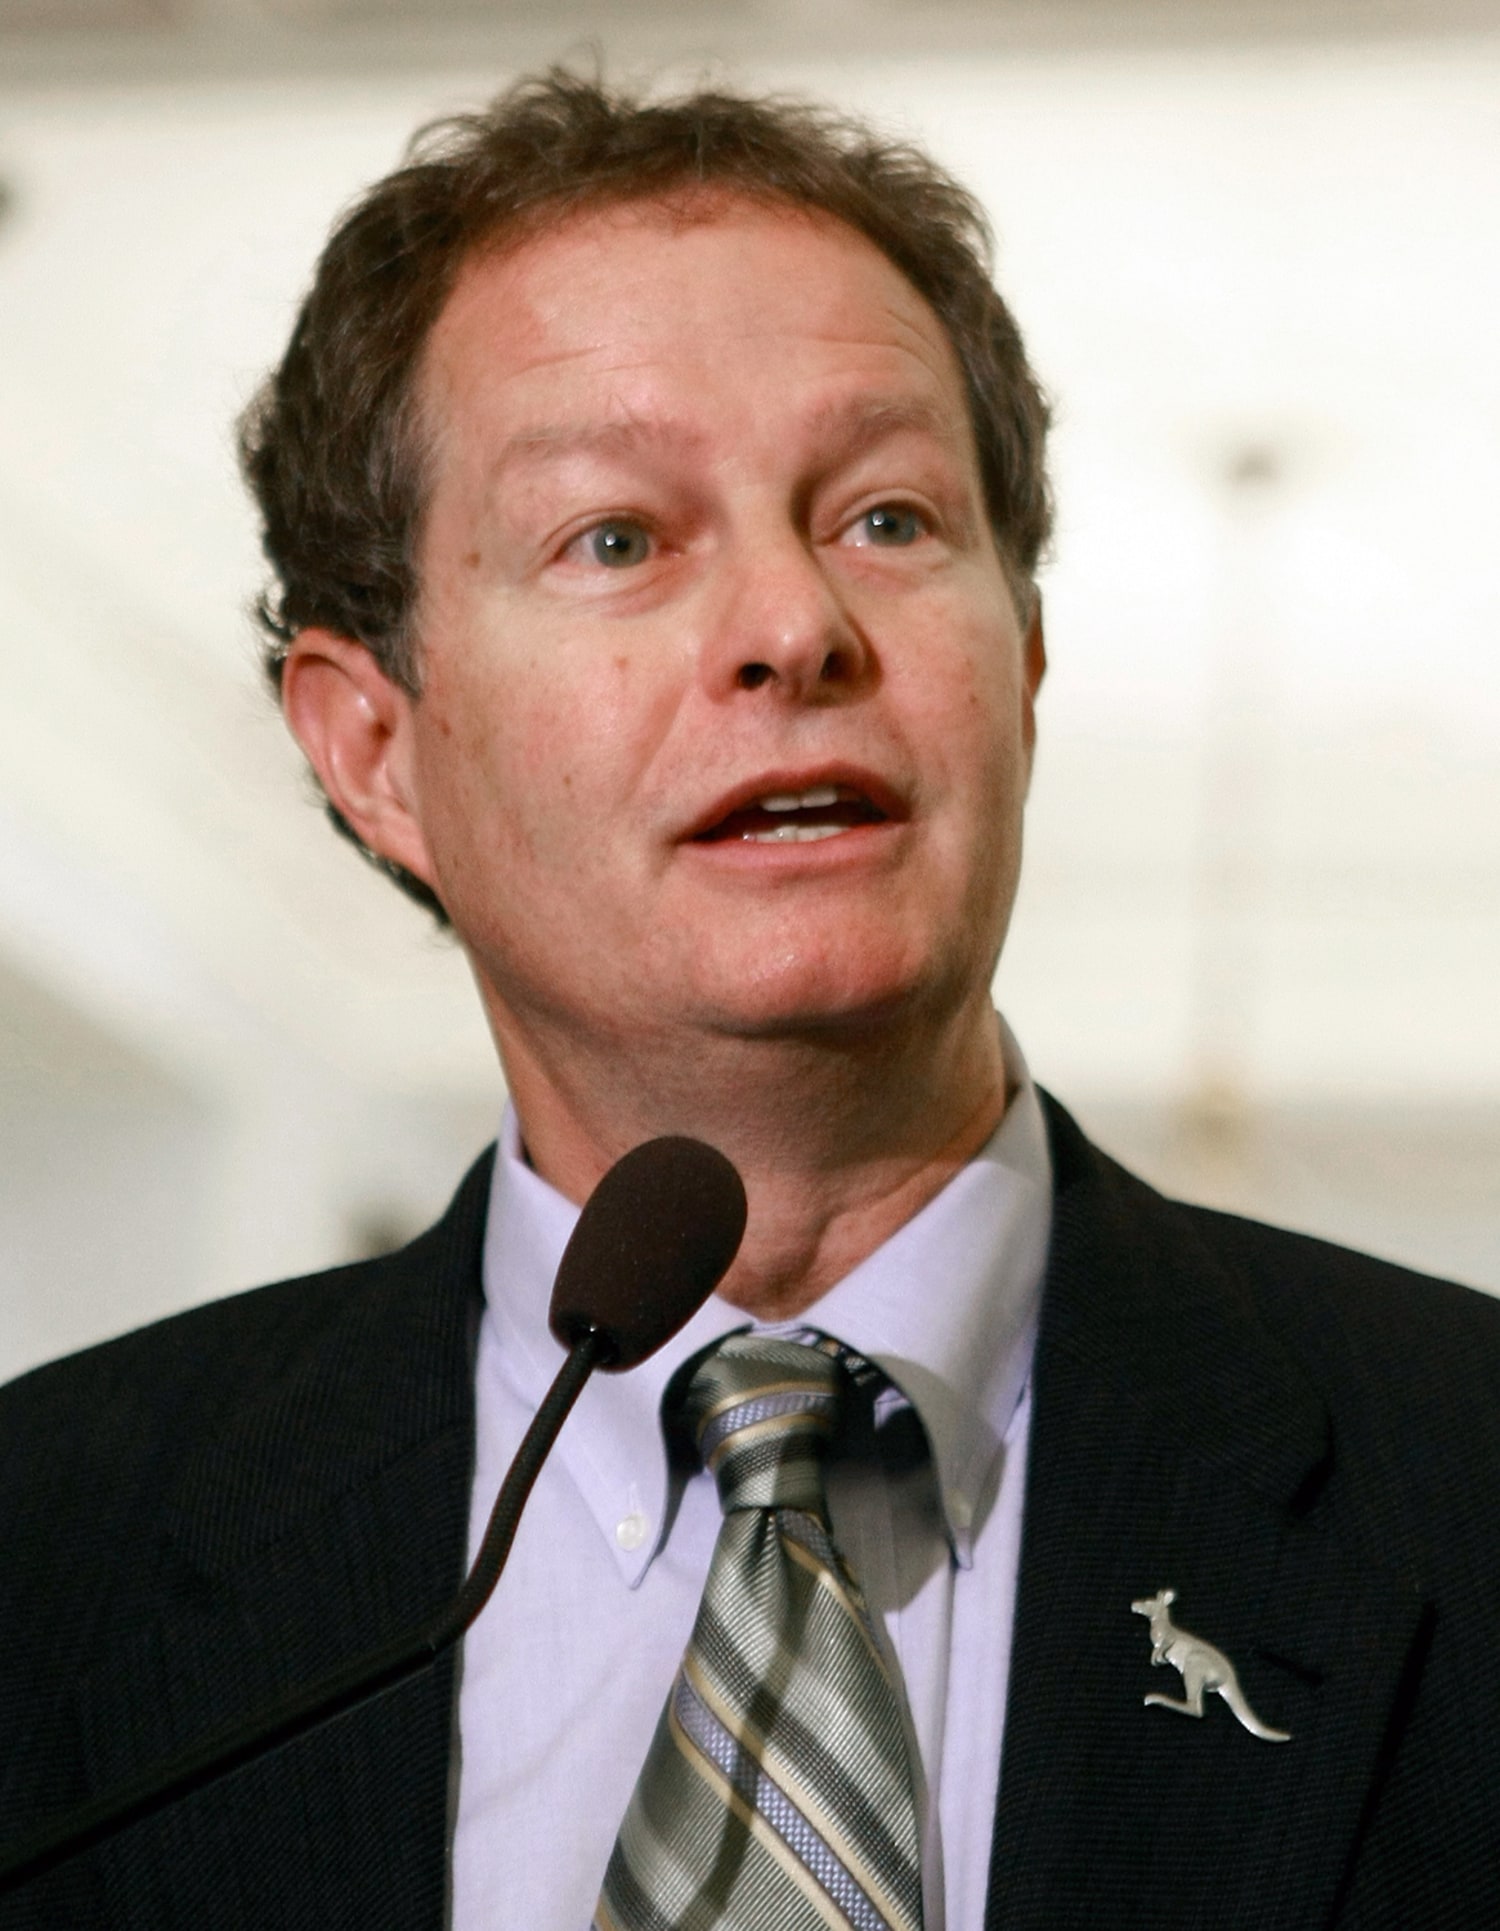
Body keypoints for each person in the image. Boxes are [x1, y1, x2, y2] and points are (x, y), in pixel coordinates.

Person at [2, 69, 1497, 1931]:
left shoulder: (1467, 1485)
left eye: (888, 518)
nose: (796, 627)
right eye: (617, 539)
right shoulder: (43, 1563)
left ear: (1024, 666)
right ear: (376, 751)